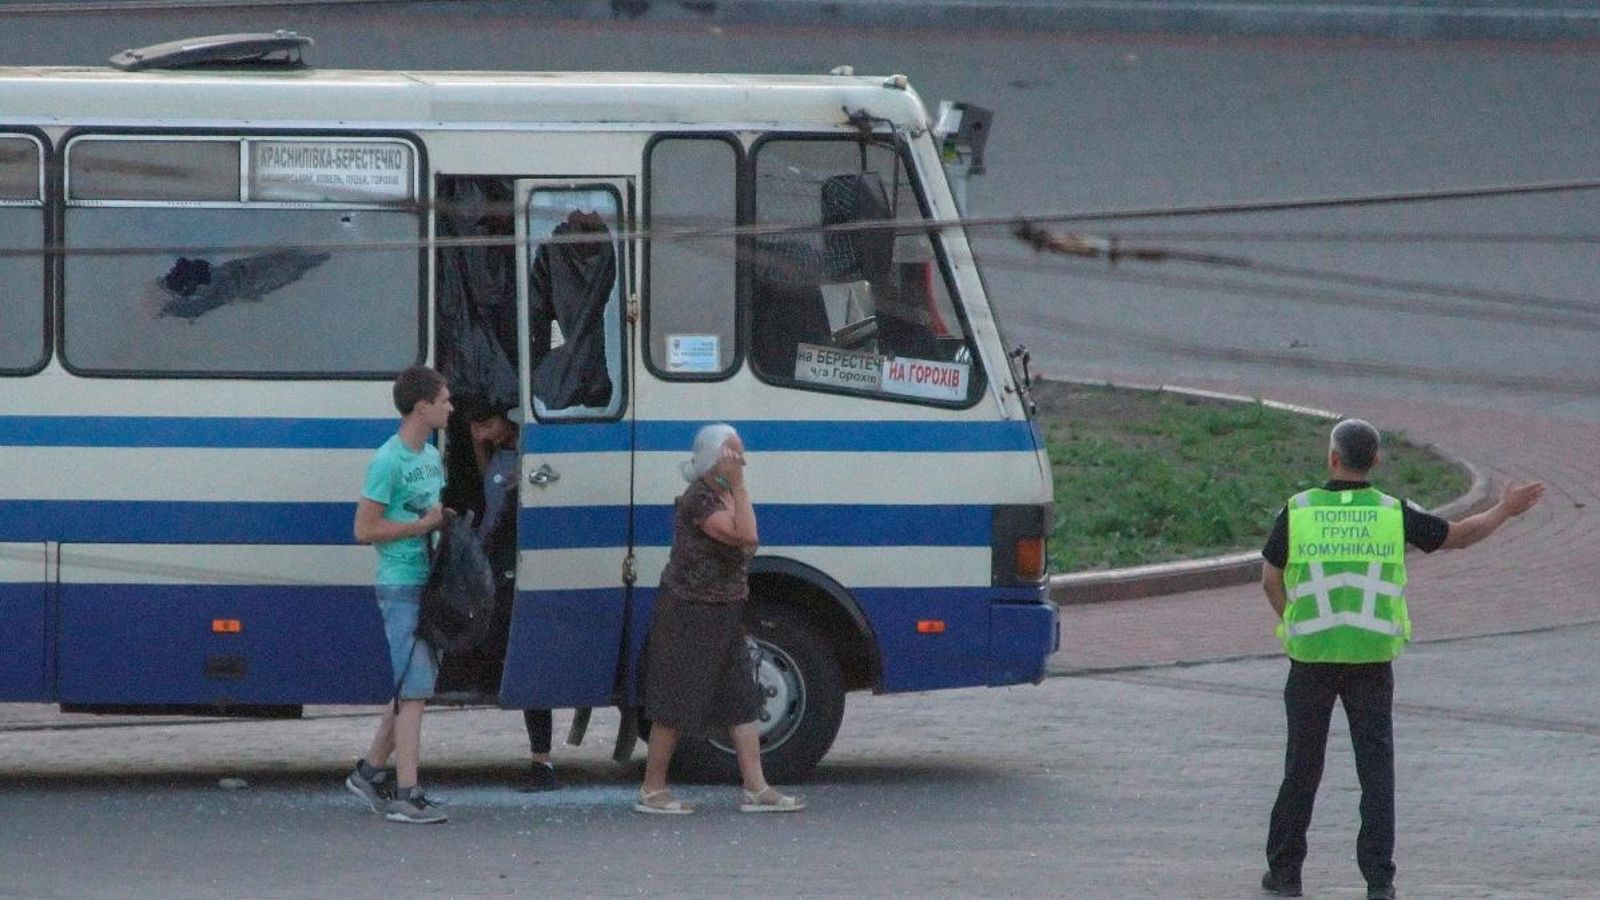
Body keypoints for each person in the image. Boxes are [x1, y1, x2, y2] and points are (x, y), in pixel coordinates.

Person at [1259, 419, 1543, 899]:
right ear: (1375, 462)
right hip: (1371, 659)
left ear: (1332, 458)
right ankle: (1379, 881)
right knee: (1376, 771)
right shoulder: (1392, 512)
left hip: (1312, 658)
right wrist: (1505, 509)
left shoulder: (1299, 509)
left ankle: (1285, 874)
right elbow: (1460, 535)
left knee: (1302, 767)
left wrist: (1295, 625)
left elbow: (1270, 577)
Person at [634, 424, 805, 815]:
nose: (740, 462)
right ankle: (652, 788)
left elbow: (749, 535)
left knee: (740, 696)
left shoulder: (725, 494)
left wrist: (737, 488)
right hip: (690, 609)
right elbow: (745, 535)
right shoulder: (700, 499)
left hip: (725, 608)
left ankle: (756, 787)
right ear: (714, 461)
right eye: (733, 455)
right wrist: (741, 487)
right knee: (675, 698)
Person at [344, 365, 453, 825]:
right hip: (400, 581)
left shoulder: (430, 455)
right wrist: (420, 526)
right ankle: (407, 792)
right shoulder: (388, 460)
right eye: (444, 400)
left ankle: (369, 773)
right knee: (414, 694)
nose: (450, 407)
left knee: (411, 686)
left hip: (426, 580)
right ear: (421, 406)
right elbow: (364, 529)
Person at [449, 396, 561, 792]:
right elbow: (487, 491)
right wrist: (481, 445)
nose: (480, 434)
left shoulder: (526, 458)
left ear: (503, 420)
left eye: (484, 426)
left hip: (511, 564)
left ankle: (542, 760)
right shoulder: (499, 457)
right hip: (494, 563)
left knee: (523, 652)